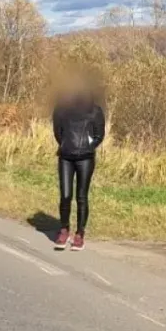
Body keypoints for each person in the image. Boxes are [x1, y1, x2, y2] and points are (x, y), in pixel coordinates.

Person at [52, 86, 105, 251]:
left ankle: (80, 234)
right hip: (65, 157)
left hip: (85, 159)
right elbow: (58, 132)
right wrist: (67, 144)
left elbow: (99, 134)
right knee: (65, 195)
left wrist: (88, 146)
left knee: (81, 196)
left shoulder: (95, 110)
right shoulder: (61, 109)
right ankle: (64, 229)